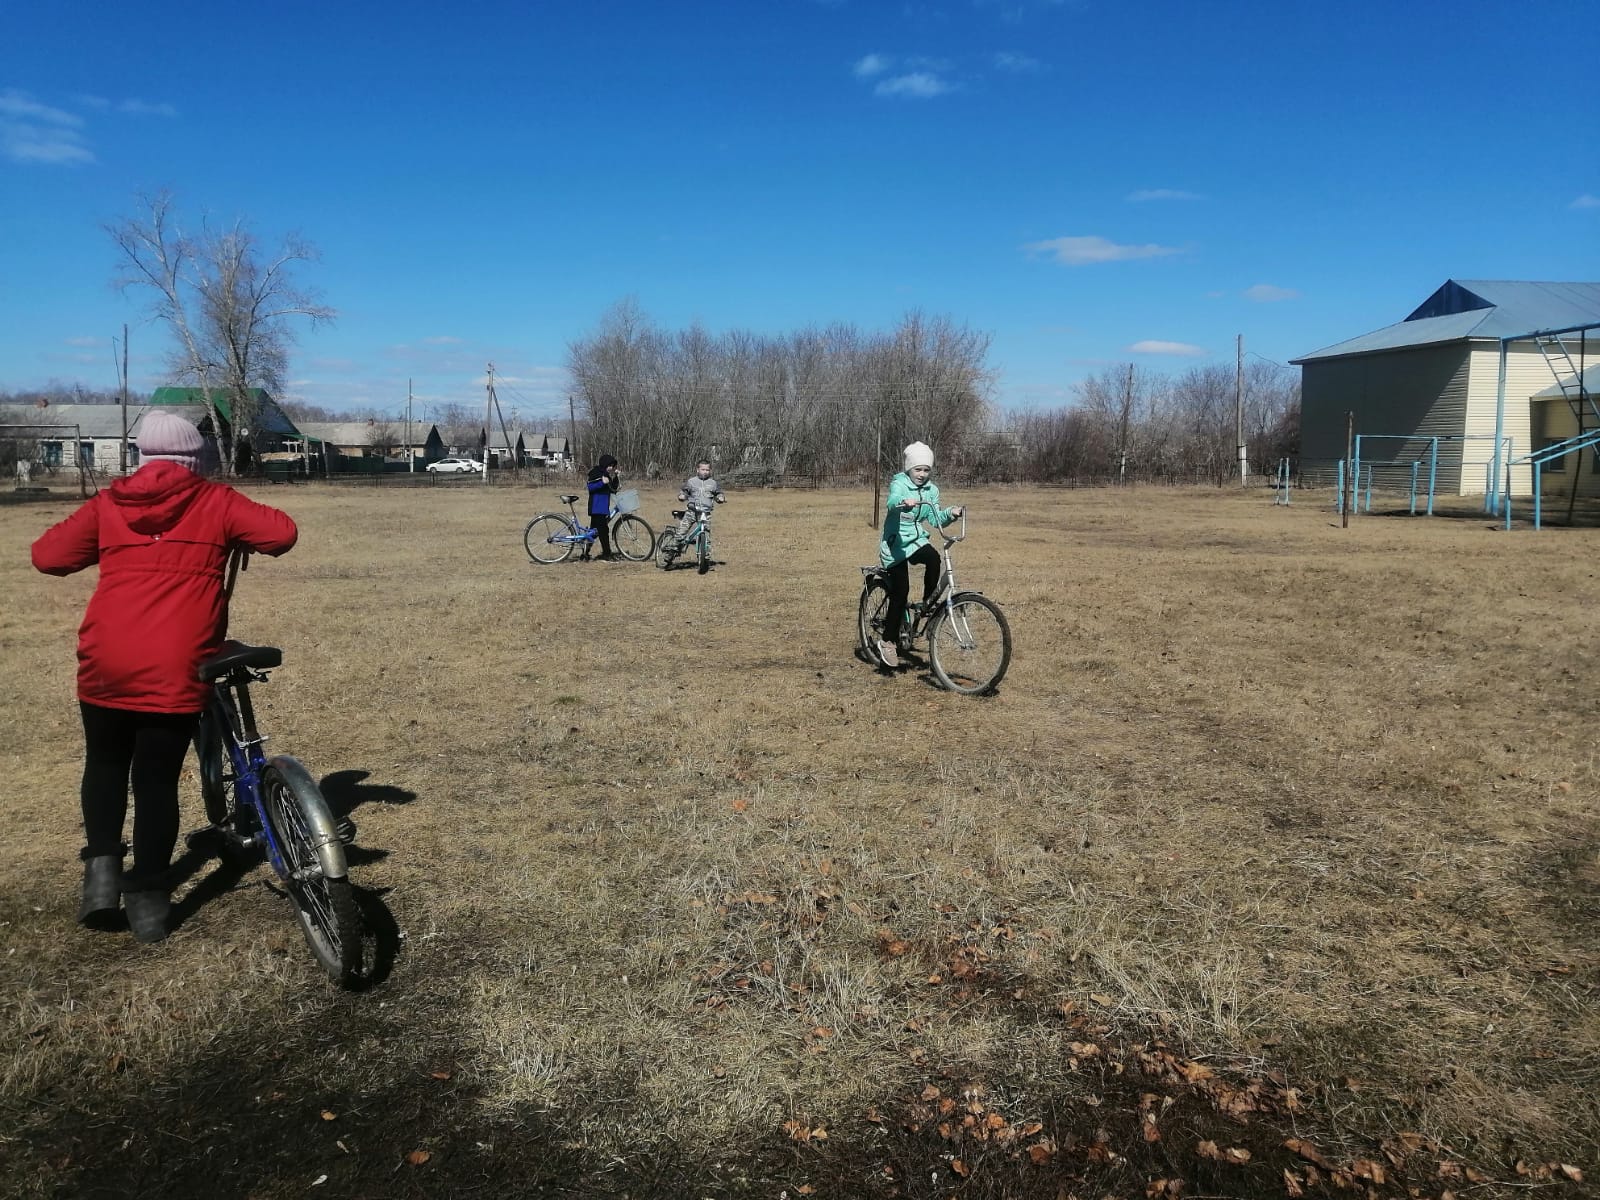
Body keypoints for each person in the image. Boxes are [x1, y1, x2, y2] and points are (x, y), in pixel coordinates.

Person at [31, 411, 298, 944]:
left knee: (104, 765)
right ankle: (149, 902)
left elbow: (48, 556)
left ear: (140, 457)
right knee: (154, 781)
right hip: (175, 664)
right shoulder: (216, 502)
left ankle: (100, 882)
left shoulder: (109, 504)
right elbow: (282, 533)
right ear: (194, 459)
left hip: (105, 658)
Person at [876, 441, 962, 669]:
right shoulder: (900, 483)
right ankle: (887, 641)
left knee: (933, 558)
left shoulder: (932, 490)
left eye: (926, 470)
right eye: (918, 469)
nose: (922, 474)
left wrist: (951, 513)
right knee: (900, 590)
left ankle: (927, 603)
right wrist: (903, 502)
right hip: (896, 545)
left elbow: (935, 519)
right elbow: (891, 502)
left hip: (915, 540)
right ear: (909, 468)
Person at [675, 460, 726, 538]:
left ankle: (704, 549)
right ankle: (673, 546)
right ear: (697, 470)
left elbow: (718, 493)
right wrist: (682, 496)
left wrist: (720, 497)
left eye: (707, 470)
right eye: (703, 469)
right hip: (691, 511)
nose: (705, 472)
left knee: (706, 535)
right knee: (681, 533)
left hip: (705, 513)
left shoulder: (713, 483)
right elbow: (684, 491)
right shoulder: (691, 481)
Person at [585, 454, 621, 560]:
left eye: (613, 466)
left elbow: (612, 489)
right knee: (603, 531)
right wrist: (601, 483)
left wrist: (616, 477)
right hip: (596, 507)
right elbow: (590, 487)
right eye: (610, 465)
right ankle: (607, 554)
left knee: (594, 532)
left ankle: (585, 552)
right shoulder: (596, 473)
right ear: (605, 464)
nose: (612, 468)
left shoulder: (606, 474)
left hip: (602, 508)